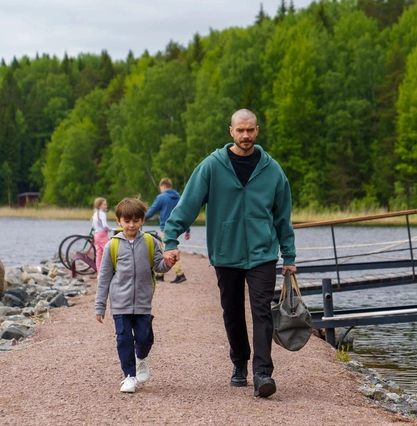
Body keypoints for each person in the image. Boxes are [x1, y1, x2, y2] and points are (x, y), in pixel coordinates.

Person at [162, 109, 297, 398]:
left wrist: (290, 257)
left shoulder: (272, 170)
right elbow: (188, 204)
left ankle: (263, 373)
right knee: (232, 312)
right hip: (226, 253)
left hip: (262, 252)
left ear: (257, 131)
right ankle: (239, 363)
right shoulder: (212, 166)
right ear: (231, 132)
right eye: (240, 130)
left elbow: (283, 217)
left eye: (250, 130)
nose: (245, 135)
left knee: (262, 311)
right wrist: (171, 238)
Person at [95, 197, 172, 393]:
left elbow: (159, 266)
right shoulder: (112, 245)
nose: (131, 225)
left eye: (136, 220)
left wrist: (169, 262)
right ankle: (129, 376)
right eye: (127, 221)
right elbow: (104, 277)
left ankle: (141, 358)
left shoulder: (150, 242)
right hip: (119, 303)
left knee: (145, 337)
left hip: (143, 302)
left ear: (142, 221)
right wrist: (100, 306)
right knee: (123, 339)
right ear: (119, 221)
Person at [145, 178, 191, 284]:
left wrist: (139, 219)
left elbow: (151, 211)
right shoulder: (179, 197)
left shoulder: (162, 197)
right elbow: (185, 213)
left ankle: (180, 274)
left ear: (163, 186)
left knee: (169, 250)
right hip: (177, 228)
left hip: (166, 228)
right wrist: (188, 230)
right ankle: (160, 275)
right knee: (164, 248)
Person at [91, 197, 111, 274]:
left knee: (99, 253)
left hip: (96, 234)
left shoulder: (95, 214)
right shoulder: (102, 214)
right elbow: (105, 225)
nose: (106, 206)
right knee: (109, 251)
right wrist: (109, 229)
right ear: (100, 206)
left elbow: (93, 225)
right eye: (104, 205)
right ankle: (111, 269)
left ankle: (99, 271)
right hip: (102, 234)